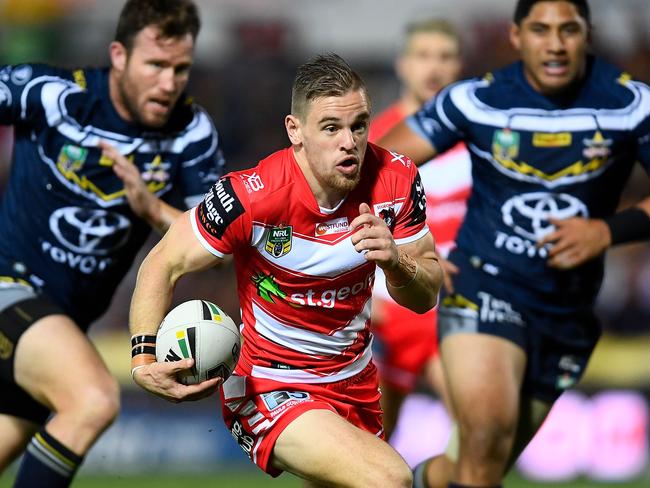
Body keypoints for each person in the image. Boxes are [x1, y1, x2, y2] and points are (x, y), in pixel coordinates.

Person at [129, 53, 444, 487]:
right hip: (268, 385)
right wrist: (143, 359)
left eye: (359, 125)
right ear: (295, 131)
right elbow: (162, 262)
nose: (349, 141)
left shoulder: (397, 179)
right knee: (389, 479)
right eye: (331, 128)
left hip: (355, 382)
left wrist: (395, 260)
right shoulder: (251, 197)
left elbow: (425, 296)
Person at [378, 1, 650, 487]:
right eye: (540, 30)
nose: (555, 43)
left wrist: (608, 231)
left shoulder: (629, 104)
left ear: (587, 35)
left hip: (567, 314)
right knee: (483, 441)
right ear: (516, 36)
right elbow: (381, 164)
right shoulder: (478, 101)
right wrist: (413, 241)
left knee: (475, 467)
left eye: (569, 30)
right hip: (485, 288)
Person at [0, 0, 225, 486]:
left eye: (181, 68)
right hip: (9, 287)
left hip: (60, 327)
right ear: (119, 55)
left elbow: (216, 249)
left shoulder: (190, 135)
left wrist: (152, 210)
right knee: (92, 398)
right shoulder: (48, 93)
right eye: (156, 65)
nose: (169, 83)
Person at [368, 18, 470, 443]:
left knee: (478, 434)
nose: (434, 67)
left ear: (459, 65)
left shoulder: (477, 139)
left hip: (452, 309)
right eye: (423, 56)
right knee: (366, 450)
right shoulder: (376, 138)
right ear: (402, 65)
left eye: (445, 57)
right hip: (387, 312)